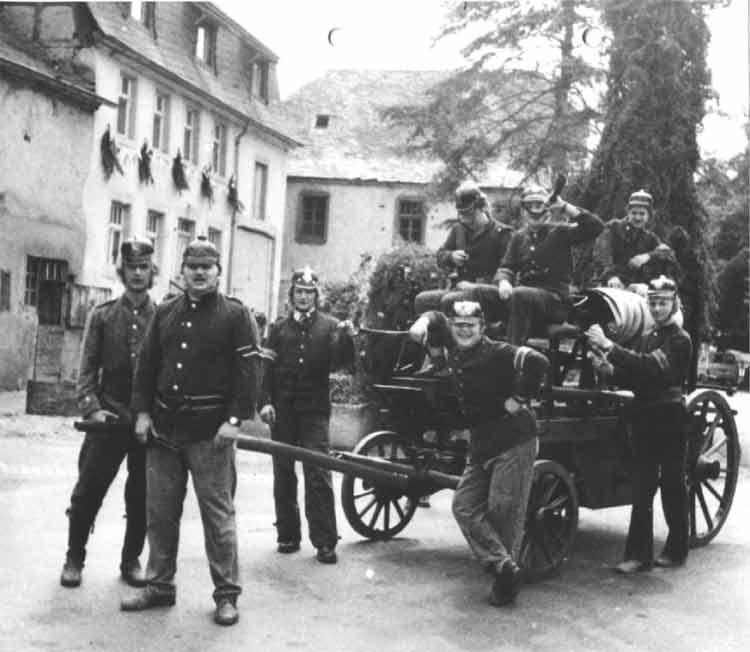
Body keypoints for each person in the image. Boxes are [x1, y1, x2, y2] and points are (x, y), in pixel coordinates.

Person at [121, 236, 258, 626]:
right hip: (164, 431)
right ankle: (160, 586)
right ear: (182, 271)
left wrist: (234, 422)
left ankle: (227, 595)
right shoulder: (165, 312)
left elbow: (248, 375)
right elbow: (146, 367)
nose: (199, 273)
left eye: (206, 267)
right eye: (192, 267)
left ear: (218, 272)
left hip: (210, 436)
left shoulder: (235, 315)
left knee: (218, 518)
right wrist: (142, 413)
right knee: (160, 514)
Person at [409, 300, 550, 606]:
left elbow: (537, 361)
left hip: (514, 440)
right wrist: (423, 322)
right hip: (482, 442)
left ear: (481, 329)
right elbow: (435, 320)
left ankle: (505, 583)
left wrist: (519, 398)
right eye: (458, 326)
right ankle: (504, 565)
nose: (463, 331)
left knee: (503, 512)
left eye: (470, 326)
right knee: (463, 505)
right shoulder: (456, 346)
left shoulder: (497, 352)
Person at [60, 236, 157, 589]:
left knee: (141, 496)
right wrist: (93, 410)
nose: (137, 274)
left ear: (152, 272)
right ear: (121, 271)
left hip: (144, 423)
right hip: (108, 420)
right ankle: (74, 557)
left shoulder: (161, 318)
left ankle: (131, 560)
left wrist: (153, 415)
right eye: (131, 267)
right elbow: (85, 373)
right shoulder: (102, 316)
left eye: (143, 267)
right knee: (87, 491)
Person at [585, 275, 691, 574]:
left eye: (663, 303)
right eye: (653, 302)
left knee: (672, 485)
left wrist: (610, 346)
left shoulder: (680, 339)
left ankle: (677, 549)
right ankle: (639, 556)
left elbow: (652, 368)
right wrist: (607, 368)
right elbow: (634, 376)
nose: (657, 308)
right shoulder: (647, 337)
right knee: (642, 487)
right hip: (645, 415)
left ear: (674, 304)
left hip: (670, 417)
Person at [258, 266, 355, 564]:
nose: (303, 297)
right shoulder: (278, 329)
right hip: (283, 411)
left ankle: (325, 542)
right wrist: (264, 402)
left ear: (316, 295)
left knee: (318, 472)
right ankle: (287, 535)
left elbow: (344, 364)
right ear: (292, 295)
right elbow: (266, 370)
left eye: (309, 292)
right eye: (299, 291)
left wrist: (347, 338)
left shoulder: (330, 327)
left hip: (314, 411)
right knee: (283, 472)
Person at [413, 180, 512, 372]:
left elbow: (509, 268)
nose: (464, 218)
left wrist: (482, 285)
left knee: (450, 300)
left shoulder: (501, 233)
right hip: (460, 289)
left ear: (481, 208)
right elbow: (440, 256)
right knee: (422, 301)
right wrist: (451, 257)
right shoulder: (459, 230)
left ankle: (459, 360)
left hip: (489, 293)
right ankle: (437, 359)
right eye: (461, 213)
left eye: (469, 213)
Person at [497, 185, 604, 345]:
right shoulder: (518, 237)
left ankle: (513, 356)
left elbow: (595, 227)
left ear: (547, 210)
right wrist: (503, 281)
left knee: (519, 294)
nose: (534, 212)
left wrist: (565, 206)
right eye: (530, 206)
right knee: (479, 293)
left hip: (555, 301)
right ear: (523, 211)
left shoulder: (560, 232)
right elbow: (507, 266)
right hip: (524, 300)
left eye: (539, 205)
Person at [591, 189, 677, 293]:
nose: (637, 217)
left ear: (648, 216)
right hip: (607, 282)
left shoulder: (649, 237)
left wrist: (648, 256)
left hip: (634, 288)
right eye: (634, 213)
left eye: (642, 214)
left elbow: (668, 254)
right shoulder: (613, 227)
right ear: (628, 212)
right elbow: (602, 255)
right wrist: (611, 276)